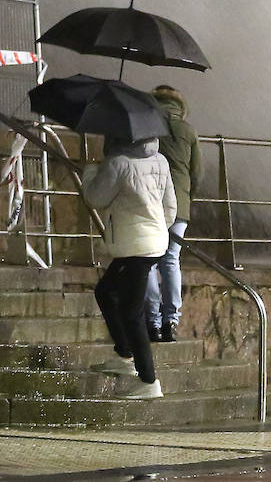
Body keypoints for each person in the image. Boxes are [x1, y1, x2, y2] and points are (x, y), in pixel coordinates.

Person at [83, 134, 176, 399]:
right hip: (151, 241)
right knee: (106, 291)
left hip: (134, 246)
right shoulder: (160, 160)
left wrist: (90, 170)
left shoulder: (119, 162)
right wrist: (157, 231)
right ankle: (124, 353)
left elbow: (96, 197)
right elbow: (170, 206)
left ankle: (149, 380)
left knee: (132, 311)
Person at [145, 85, 201, 343]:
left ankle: (153, 321)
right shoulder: (188, 131)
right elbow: (196, 174)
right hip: (180, 204)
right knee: (171, 259)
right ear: (180, 107)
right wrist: (188, 196)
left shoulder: (148, 126)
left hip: (152, 201)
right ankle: (171, 321)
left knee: (149, 261)